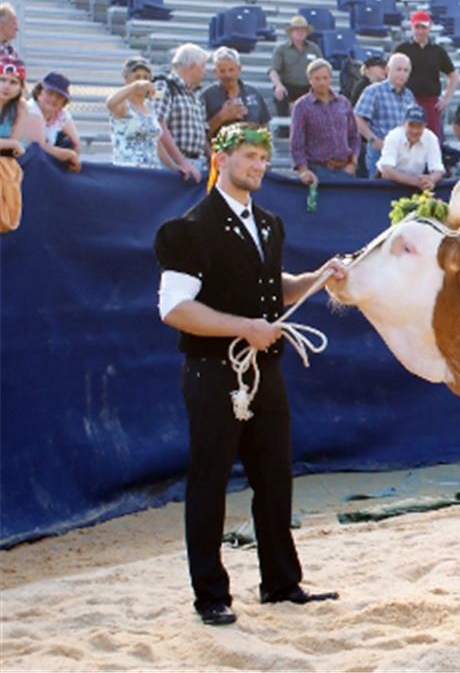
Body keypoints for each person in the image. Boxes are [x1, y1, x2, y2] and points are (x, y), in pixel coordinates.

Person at [154, 121, 344, 627]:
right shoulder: (192, 227)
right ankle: (210, 594)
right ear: (222, 159)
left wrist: (316, 279)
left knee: (275, 478)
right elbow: (174, 308)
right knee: (210, 481)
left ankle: (281, 583)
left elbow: (270, 285)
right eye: (248, 157)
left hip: (265, 372)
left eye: (263, 157)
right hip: (214, 373)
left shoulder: (267, 224)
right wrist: (244, 328)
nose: (259, 166)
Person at [108, 56, 200, 178]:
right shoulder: (123, 106)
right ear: (126, 80)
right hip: (128, 172)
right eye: (137, 77)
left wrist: (174, 167)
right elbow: (110, 102)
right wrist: (134, 87)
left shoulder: (150, 107)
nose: (142, 81)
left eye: (146, 77)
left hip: (151, 172)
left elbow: (155, 142)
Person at [290, 58, 360, 186]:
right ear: (310, 80)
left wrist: (353, 163)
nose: (322, 82)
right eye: (317, 79)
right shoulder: (301, 106)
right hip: (317, 171)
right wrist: (303, 170)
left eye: (325, 78)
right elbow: (297, 142)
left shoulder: (344, 103)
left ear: (330, 79)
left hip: (345, 171)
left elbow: (354, 135)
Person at [395, 10, 458, 140]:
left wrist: (446, 99)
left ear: (429, 28)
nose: (420, 31)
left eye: (423, 27)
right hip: (407, 101)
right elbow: (391, 71)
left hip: (430, 103)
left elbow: (453, 74)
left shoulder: (437, 51)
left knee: (432, 141)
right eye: (417, 27)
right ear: (412, 27)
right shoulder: (402, 49)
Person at [354, 52, 417, 179]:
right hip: (379, 154)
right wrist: (373, 140)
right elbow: (357, 118)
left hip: (403, 155)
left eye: (406, 70)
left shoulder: (409, 96)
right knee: (378, 195)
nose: (402, 73)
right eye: (398, 69)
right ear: (388, 70)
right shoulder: (373, 91)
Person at [154, 43, 210, 168]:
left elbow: (202, 132)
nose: (204, 72)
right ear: (193, 67)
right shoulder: (162, 86)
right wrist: (181, 161)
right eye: (203, 67)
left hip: (196, 162)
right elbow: (157, 125)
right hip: (170, 163)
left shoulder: (197, 95)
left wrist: (210, 156)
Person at [202, 47, 271, 136]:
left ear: (239, 68)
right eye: (222, 71)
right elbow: (200, 134)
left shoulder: (254, 93)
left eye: (231, 70)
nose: (228, 75)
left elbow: (265, 127)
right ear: (215, 72)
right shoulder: (207, 96)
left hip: (251, 147)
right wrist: (221, 117)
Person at [375, 104, 444, 190]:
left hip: (416, 186)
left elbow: (438, 169)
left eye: (419, 126)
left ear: (425, 125)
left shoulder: (431, 138)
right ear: (404, 124)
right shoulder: (393, 136)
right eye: (411, 125)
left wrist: (430, 180)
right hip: (388, 185)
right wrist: (416, 182)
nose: (415, 130)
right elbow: (386, 171)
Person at [268, 15, 323, 119]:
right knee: (280, 93)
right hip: (288, 86)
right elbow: (273, 70)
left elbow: (321, 68)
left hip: (309, 87)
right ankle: (283, 128)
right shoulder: (281, 49)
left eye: (303, 29)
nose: (300, 32)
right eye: (297, 29)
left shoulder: (314, 48)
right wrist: (278, 85)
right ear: (291, 32)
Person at [26, 73, 81, 172]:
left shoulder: (62, 115)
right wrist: (70, 155)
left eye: (60, 97)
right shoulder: (30, 109)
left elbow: (76, 143)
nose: (54, 99)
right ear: (39, 92)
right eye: (50, 93)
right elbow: (39, 147)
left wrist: (73, 159)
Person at [0, 56, 33, 158]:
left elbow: (13, 145)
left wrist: (14, 145)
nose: (6, 86)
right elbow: (14, 144)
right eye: (2, 80)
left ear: (21, 87)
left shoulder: (21, 106)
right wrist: (14, 145)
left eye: (13, 82)